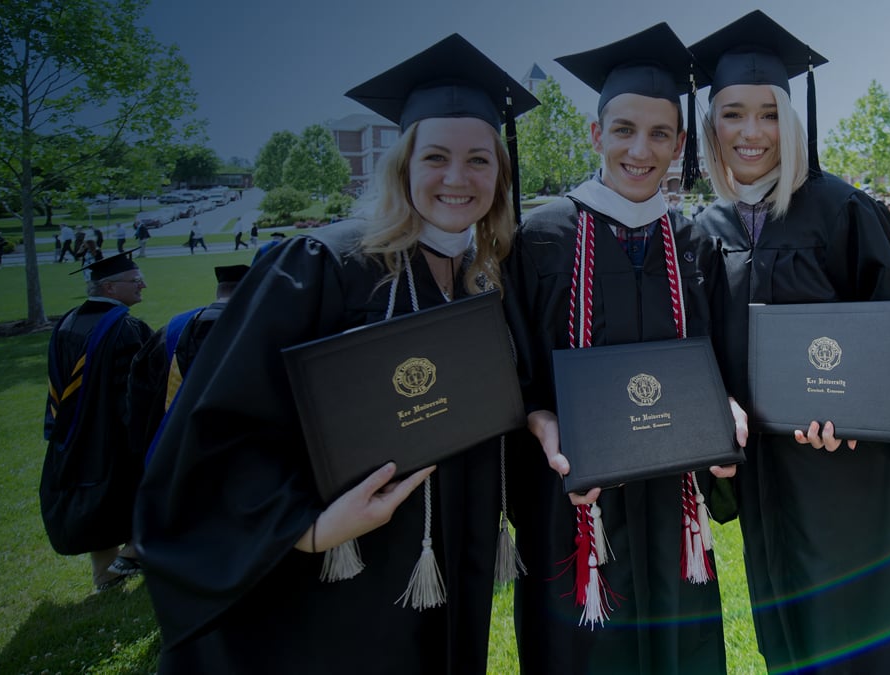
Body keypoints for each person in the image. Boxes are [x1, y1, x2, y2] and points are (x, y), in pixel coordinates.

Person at [133, 35, 539, 673]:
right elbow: (216, 426)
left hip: (448, 559)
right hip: (337, 578)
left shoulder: (485, 276)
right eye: (436, 157)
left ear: (500, 172)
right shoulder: (324, 264)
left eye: (479, 161)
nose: (458, 178)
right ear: (402, 164)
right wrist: (309, 528)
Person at [689, 11, 890, 673]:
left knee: (870, 632)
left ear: (791, 121)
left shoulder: (843, 210)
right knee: (790, 633)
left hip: (850, 477)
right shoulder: (705, 231)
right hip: (768, 477)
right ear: (711, 125)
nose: (752, 132)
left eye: (768, 113)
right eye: (733, 114)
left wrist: (858, 414)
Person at [503, 23, 739, 675]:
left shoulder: (692, 243)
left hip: (673, 506)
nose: (641, 149)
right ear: (595, 134)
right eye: (624, 129)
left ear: (680, 142)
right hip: (576, 509)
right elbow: (515, 376)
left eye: (660, 133)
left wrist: (729, 410)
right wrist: (541, 423)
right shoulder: (542, 239)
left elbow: (717, 363)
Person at [41, 252, 153, 592]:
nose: (143, 285)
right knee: (143, 496)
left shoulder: (68, 322)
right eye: (135, 281)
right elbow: (136, 393)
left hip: (73, 434)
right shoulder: (125, 328)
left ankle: (106, 577)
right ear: (109, 286)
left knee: (97, 504)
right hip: (115, 437)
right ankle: (136, 558)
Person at [128, 264, 250, 458]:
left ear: (219, 292)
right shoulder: (260, 329)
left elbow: (141, 393)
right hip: (242, 453)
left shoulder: (171, 330)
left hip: (175, 449)